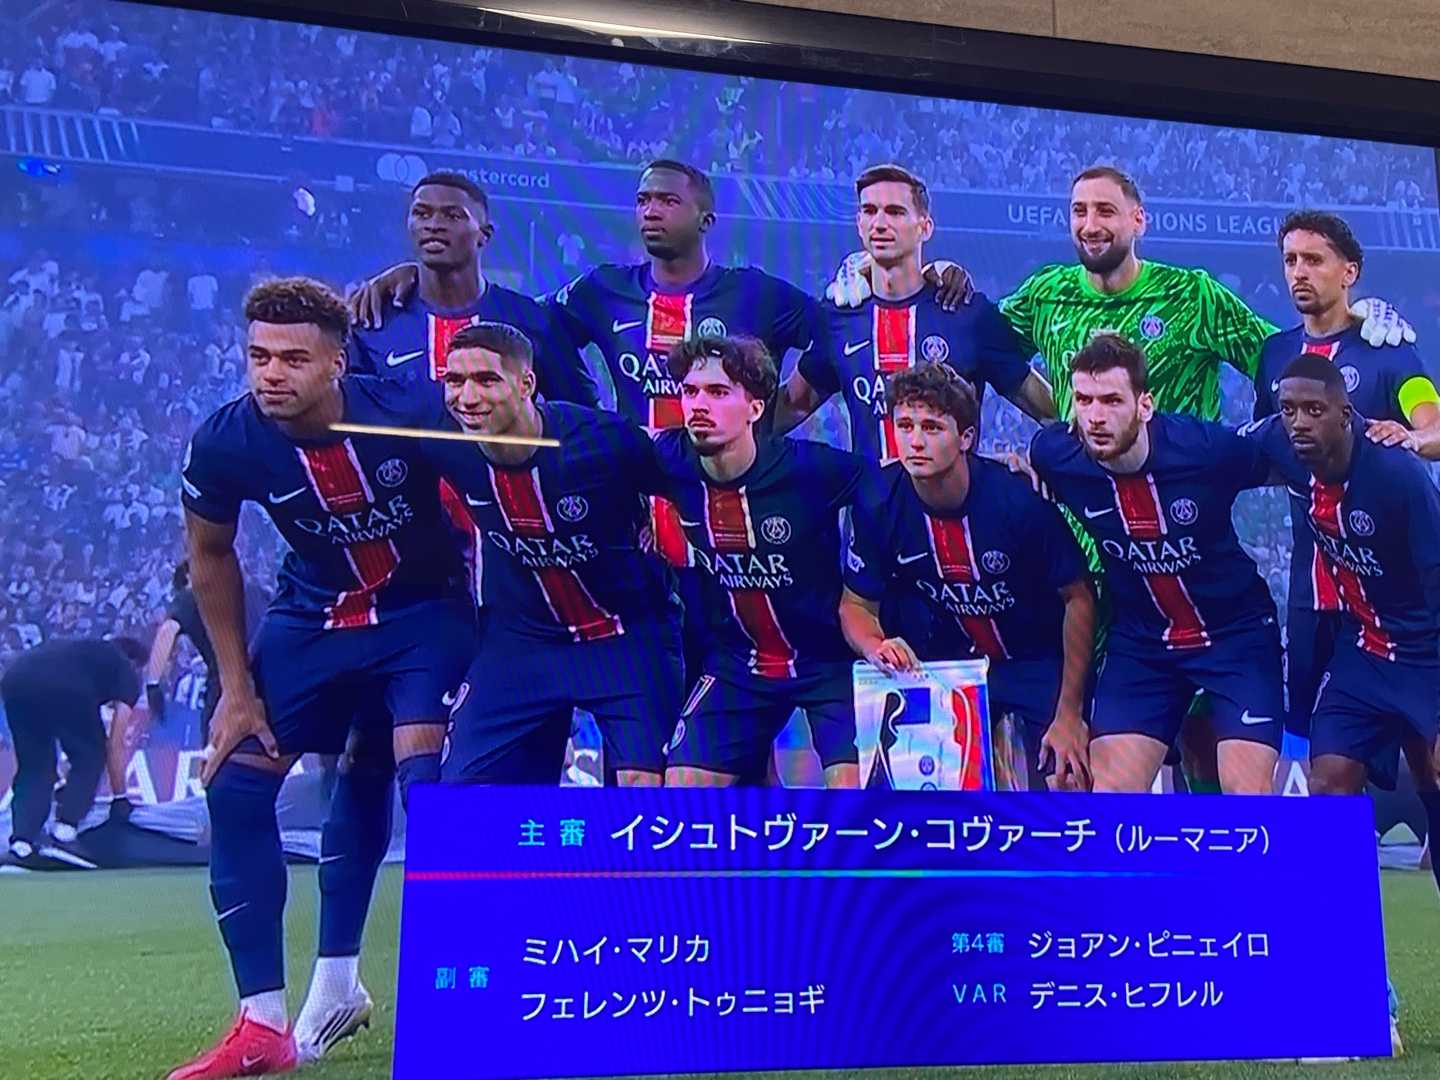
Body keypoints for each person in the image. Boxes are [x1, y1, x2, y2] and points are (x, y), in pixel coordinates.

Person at [168, 277, 476, 1078]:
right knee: (234, 784)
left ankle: (455, 1002)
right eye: (259, 356)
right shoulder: (226, 441)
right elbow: (209, 556)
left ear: (338, 362)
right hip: (315, 617)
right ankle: (262, 1026)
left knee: (422, 786)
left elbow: (493, 500)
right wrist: (236, 688)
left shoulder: (408, 409)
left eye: (293, 359)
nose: (271, 374)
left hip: (424, 611)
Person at [1247, 354, 1440, 1057]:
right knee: (1328, 785)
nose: (1298, 422)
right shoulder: (1283, 449)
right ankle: (1354, 998)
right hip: (1363, 653)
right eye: (1288, 410)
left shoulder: (1397, 475)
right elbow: (1211, 452)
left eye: (1313, 410)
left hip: (1429, 651)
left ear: (1346, 415)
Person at [415, 322, 684, 785]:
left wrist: (665, 526)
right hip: (522, 643)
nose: (467, 397)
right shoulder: (441, 440)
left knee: (645, 796)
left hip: (627, 637)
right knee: (461, 804)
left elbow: (687, 481)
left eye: (486, 380)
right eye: (454, 381)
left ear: (526, 384)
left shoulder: (603, 440)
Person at [1027, 333, 1283, 794]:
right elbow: (1026, 465)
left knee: (1248, 797)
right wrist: (1015, 465)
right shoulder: (1055, 456)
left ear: (1145, 405)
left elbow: (1290, 458)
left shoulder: (1206, 450)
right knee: (1108, 797)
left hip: (1236, 636)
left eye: (1111, 400)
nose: (1095, 416)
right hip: (1144, 645)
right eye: (1084, 400)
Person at [840, 363, 1095, 791]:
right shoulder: (879, 502)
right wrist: (875, 645)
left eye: (932, 427)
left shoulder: (1017, 500)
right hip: (941, 662)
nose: (915, 441)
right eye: (905, 425)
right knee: (923, 788)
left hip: (1032, 659)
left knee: (1065, 781)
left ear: (967, 437)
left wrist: (1069, 713)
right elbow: (855, 605)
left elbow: (1079, 598)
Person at [1251, 210, 1440, 758]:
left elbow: (1433, 425)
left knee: (1419, 747)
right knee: (1315, 751)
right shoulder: (1275, 354)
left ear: (1349, 271)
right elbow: (1264, 445)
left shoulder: (1388, 349)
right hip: (1312, 591)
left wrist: (1411, 438)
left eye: (1314, 259)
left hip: (1392, 596)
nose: (1299, 272)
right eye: (1290, 260)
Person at [657, 335, 866, 788]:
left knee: (852, 802)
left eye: (718, 392)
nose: (699, 405)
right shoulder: (668, 460)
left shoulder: (813, 469)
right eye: (690, 391)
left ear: (755, 408)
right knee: (681, 794)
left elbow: (894, 489)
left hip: (829, 664)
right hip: (738, 667)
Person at [774, 163, 1055, 458]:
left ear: (925, 227)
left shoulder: (966, 312)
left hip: (954, 489)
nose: (879, 223)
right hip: (872, 489)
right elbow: (795, 403)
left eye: (895, 212)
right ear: (859, 223)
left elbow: (1042, 406)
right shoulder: (839, 316)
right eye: (869, 211)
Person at [3, 635, 146, 866]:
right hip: (68, 686)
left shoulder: (79, 648)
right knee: (90, 756)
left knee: (34, 766)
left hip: (15, 680)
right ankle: (65, 829)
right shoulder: (125, 668)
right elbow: (115, 743)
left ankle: (22, 843)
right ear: (135, 662)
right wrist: (120, 798)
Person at [142, 559, 267, 745]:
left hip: (227, 688)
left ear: (189, 578)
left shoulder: (194, 595)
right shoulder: (258, 592)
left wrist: (153, 685)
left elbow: (167, 631)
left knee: (219, 751)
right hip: (269, 686)